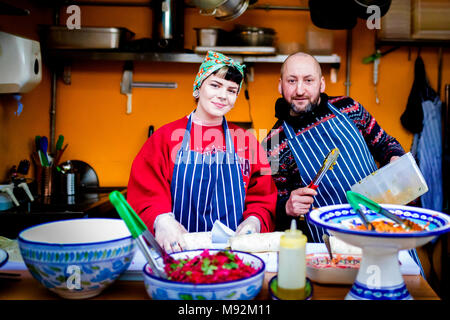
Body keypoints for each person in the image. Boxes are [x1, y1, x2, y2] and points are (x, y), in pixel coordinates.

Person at [264, 52, 424, 274]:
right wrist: (286, 207)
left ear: (321, 84)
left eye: (308, 80)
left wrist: (394, 159)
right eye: (292, 81)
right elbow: (269, 204)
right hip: (329, 252)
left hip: (383, 231)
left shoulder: (350, 108)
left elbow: (385, 143)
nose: (300, 90)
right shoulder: (270, 145)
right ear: (280, 86)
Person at [127, 51, 277, 253]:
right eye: (215, 85)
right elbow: (146, 194)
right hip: (178, 251)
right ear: (198, 88)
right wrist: (161, 220)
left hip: (236, 254)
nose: (223, 95)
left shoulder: (247, 141)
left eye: (232, 90)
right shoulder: (165, 138)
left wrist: (254, 221)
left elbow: (262, 197)